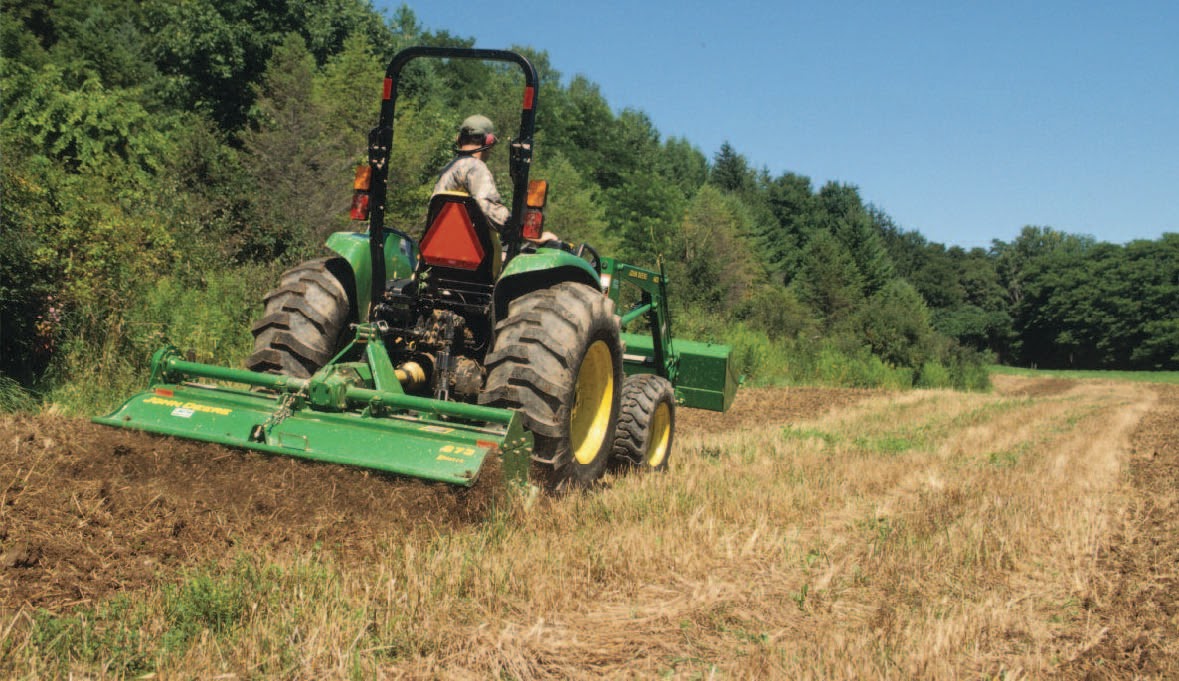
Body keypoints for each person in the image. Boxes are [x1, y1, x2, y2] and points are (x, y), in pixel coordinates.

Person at [432, 114, 558, 244]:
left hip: (440, 244)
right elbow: (487, 207)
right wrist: (522, 232)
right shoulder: (476, 167)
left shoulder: (448, 169)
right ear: (489, 141)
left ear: (458, 139)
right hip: (468, 248)